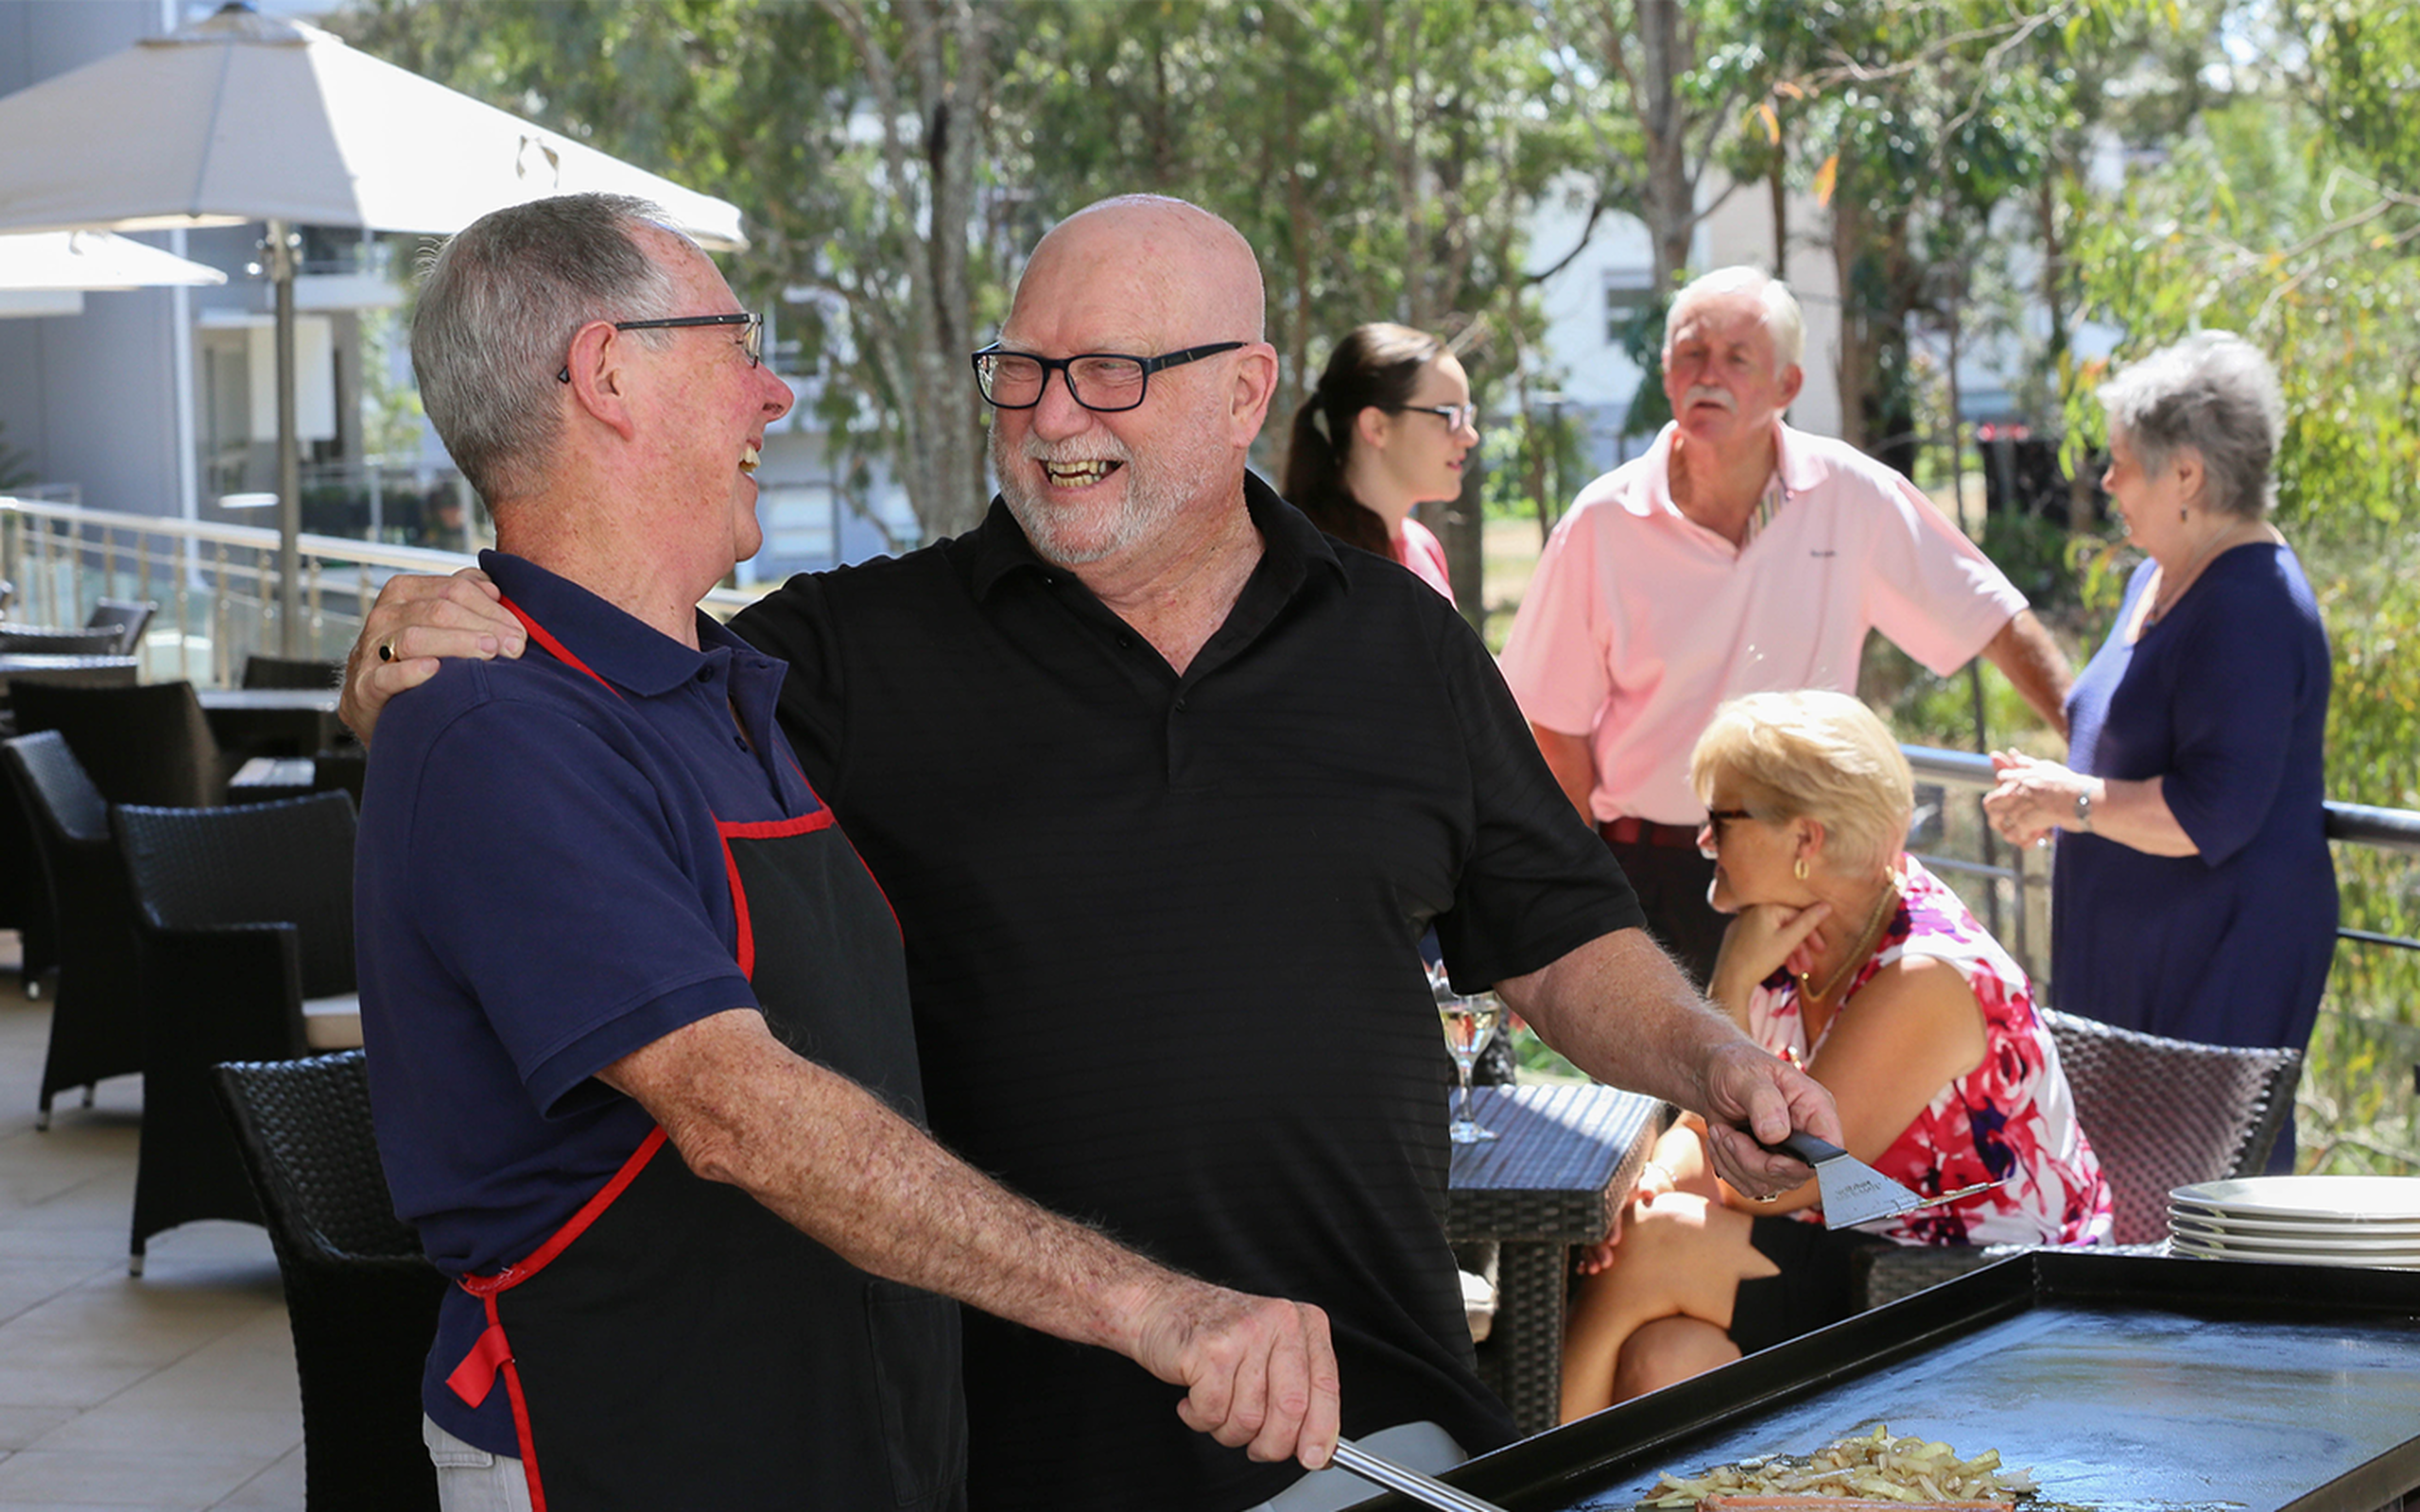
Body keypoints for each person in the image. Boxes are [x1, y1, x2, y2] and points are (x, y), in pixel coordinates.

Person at [347, 194, 1843, 1512]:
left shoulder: (1400, 642)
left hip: (1351, 1403)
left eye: (1112, 373)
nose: (1054, 418)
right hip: (1001, 1436)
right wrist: (408, 667)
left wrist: (1710, 1060)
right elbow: (586, 708)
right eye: (1024, 372)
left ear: (1245, 392)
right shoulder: (843, 656)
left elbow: (1556, 934)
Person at [357, 193, 1347, 1512]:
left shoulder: (722, 687)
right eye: (736, 343)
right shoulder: (501, 729)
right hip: (627, 1453)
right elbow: (737, 1113)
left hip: (842, 1446)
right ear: (606, 375)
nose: (772, 393)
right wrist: (1152, 1307)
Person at [1497, 266, 2073, 988]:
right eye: (1691, 354)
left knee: (1820, 1067)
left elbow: (1991, 615)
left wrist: (2090, 761)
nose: (1709, 375)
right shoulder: (1602, 522)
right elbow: (1551, 727)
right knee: (1653, 1069)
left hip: (1811, 870)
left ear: (1787, 386)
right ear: (1667, 373)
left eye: (1737, 358)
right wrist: (1575, 898)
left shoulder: (1851, 494)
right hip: (1647, 876)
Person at [1560, 690, 2113, 1420]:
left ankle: (1528, 1469)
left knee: (1652, 1246)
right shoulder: (1797, 935)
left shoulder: (1921, 976)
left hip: (1980, 1291)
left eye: (1721, 818)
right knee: (1667, 1357)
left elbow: (1773, 1180)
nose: (1703, 841)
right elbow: (1703, 1127)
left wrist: (1730, 984)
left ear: (1805, 839)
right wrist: (1654, 1181)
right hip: (1856, 1247)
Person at [1984, 333, 2333, 1174]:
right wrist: (2059, 794)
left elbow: (2212, 812)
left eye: (2120, 464)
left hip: (2214, 974)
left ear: (2186, 474)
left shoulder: (2251, 605)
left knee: (2196, 1226)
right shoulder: (2156, 576)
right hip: (2132, 971)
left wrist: (2067, 800)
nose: (2106, 483)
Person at [1283, 322, 1478, 603]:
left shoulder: (1423, 546)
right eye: (1448, 415)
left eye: (1467, 415)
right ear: (1376, 427)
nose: (1470, 436)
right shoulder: (1309, 569)